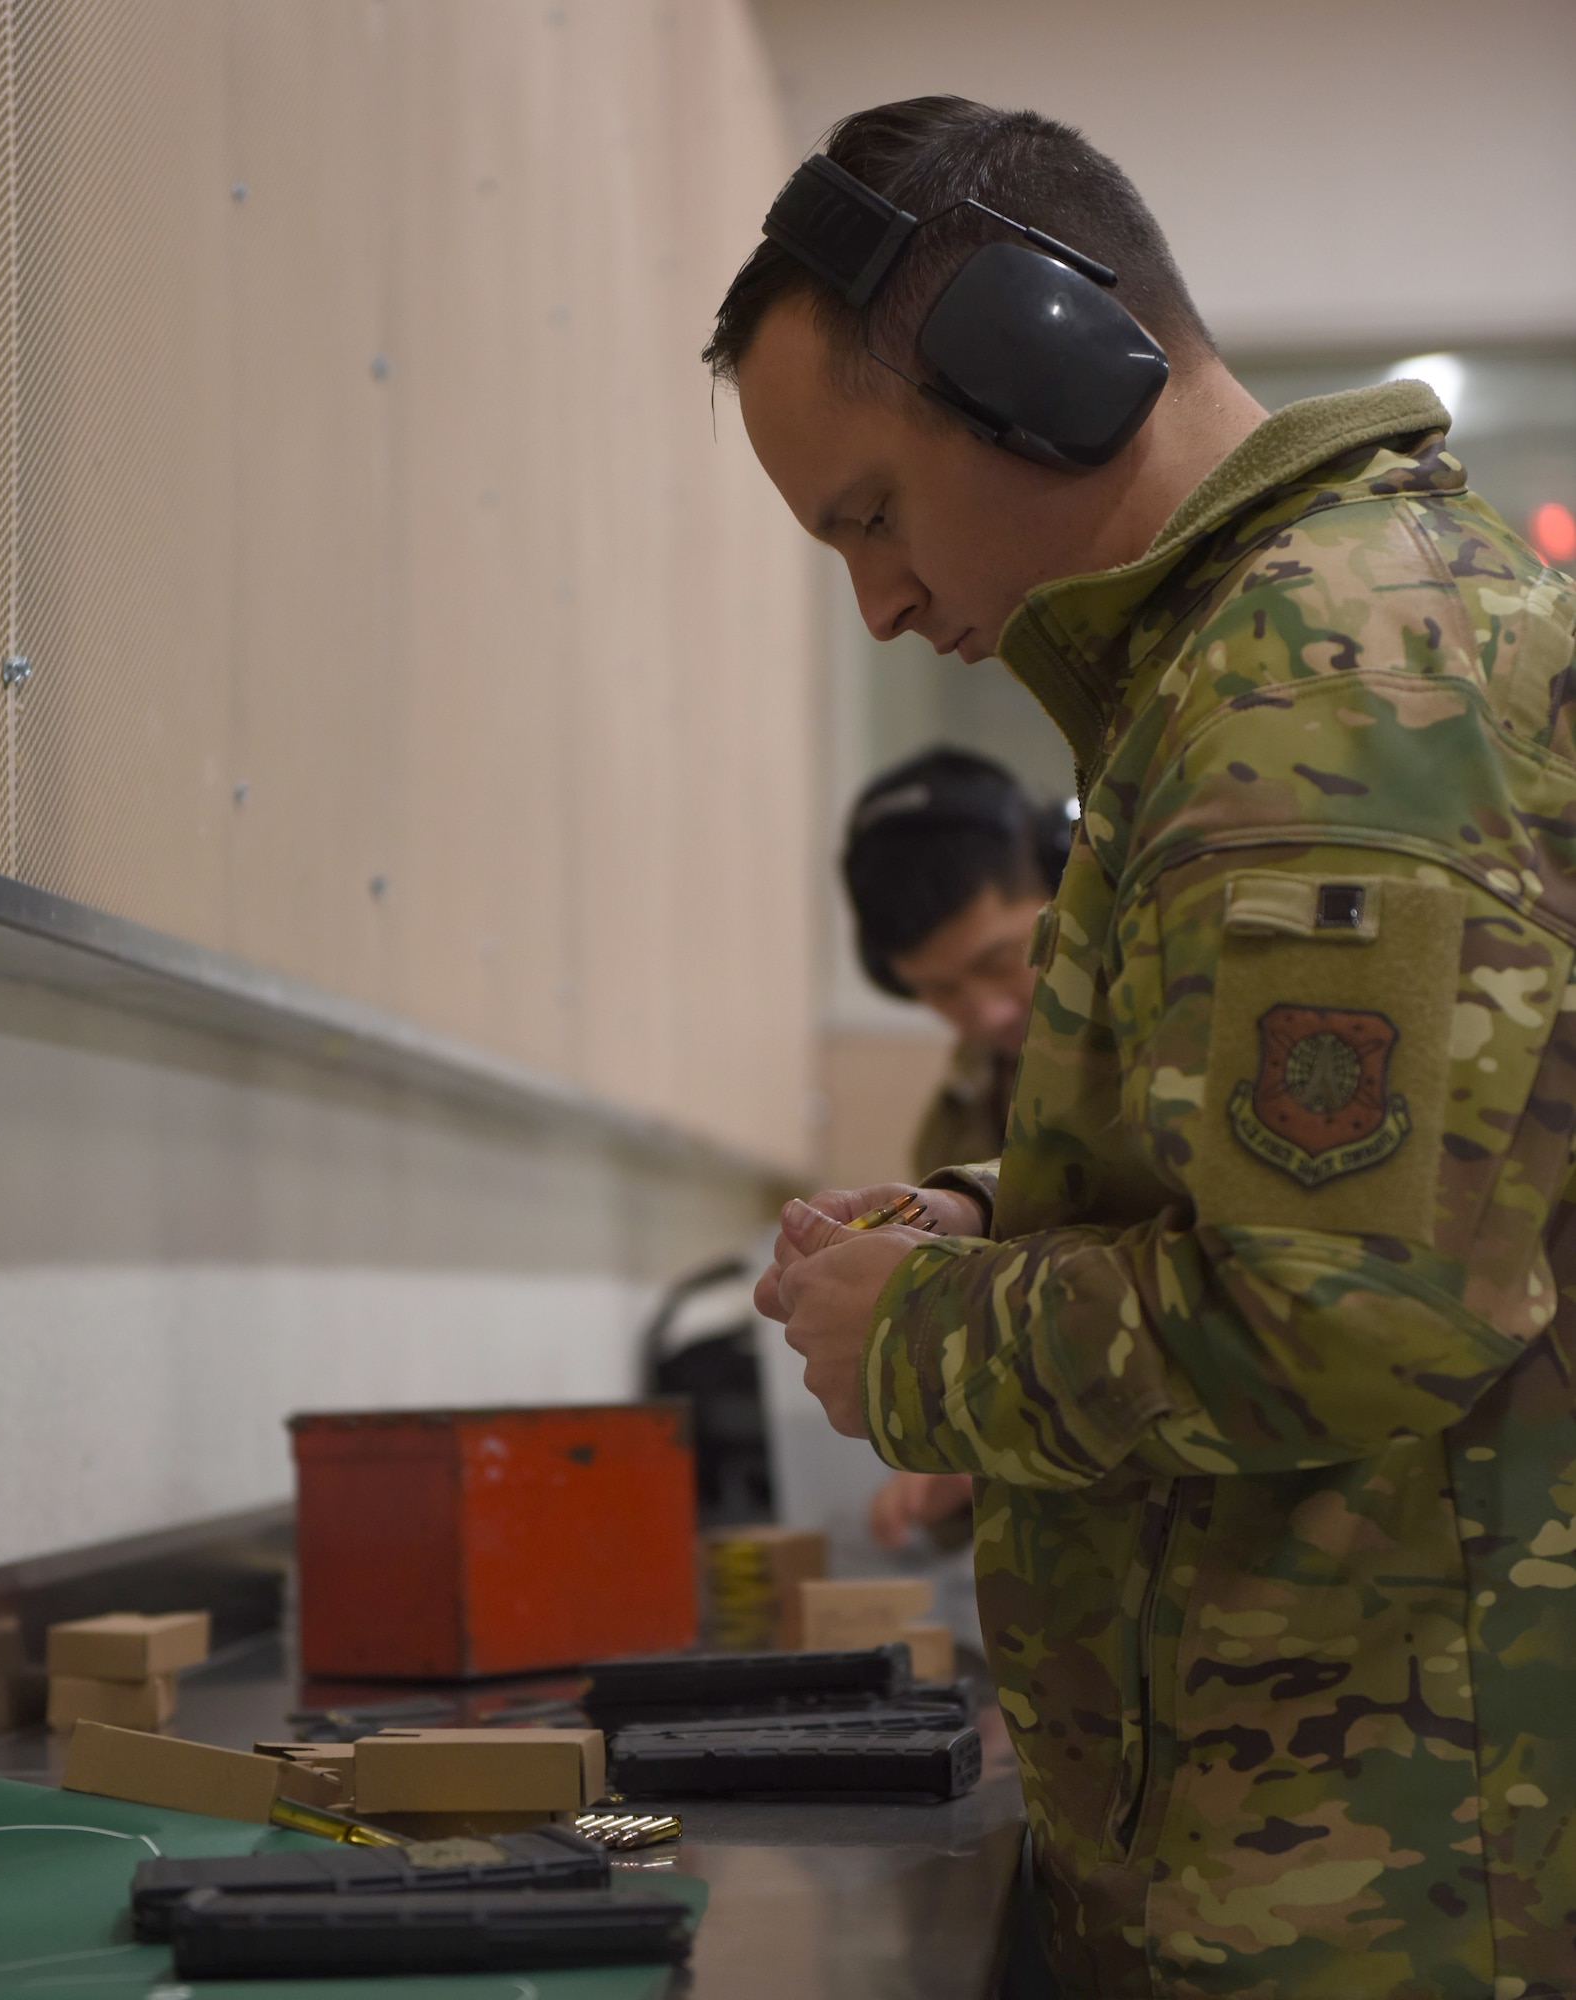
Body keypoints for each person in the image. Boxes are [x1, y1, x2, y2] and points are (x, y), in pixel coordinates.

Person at [709, 94, 1576, 1996]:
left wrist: (917, 1343)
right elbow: (1341, 1176)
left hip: (1384, 1894)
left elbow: (1343, 1310)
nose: (882, 598)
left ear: (1048, 362)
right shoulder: (1243, 672)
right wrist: (985, 1211)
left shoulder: (1322, 689)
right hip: (1338, 1845)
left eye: (870, 513)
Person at [843, 747, 1066, 1552]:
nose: (984, 1013)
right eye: (938, 990)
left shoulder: (1150, 1049)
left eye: (1000, 961)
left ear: (1064, 887)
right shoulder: (963, 1103)